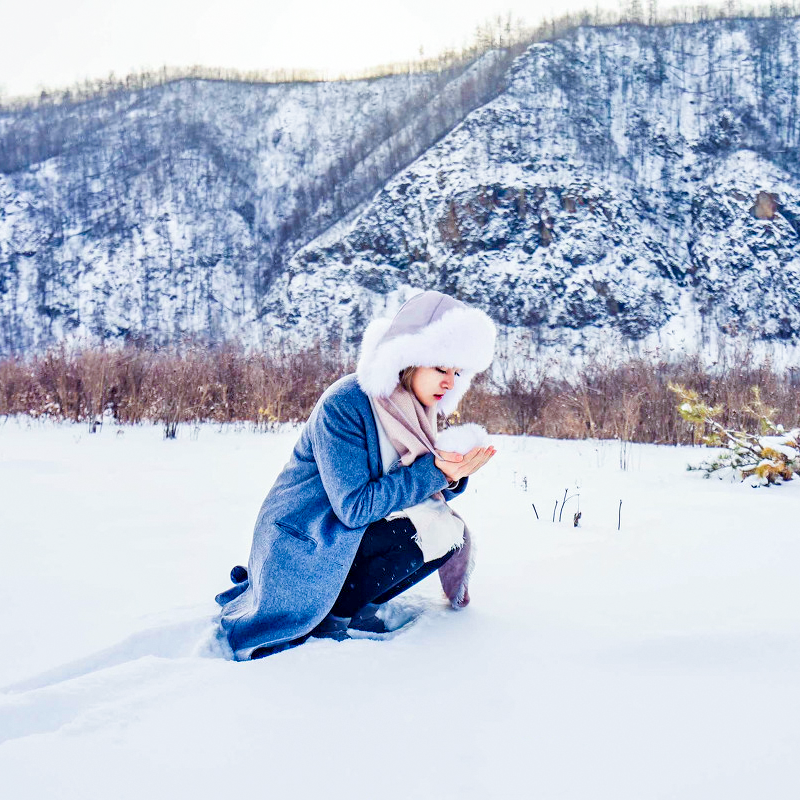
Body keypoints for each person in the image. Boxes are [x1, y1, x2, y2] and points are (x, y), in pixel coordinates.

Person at [215, 290, 497, 659]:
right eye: (441, 368)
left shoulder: (414, 409)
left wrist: (449, 476)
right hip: (306, 533)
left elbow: (411, 487)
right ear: (408, 359)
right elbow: (354, 507)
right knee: (418, 530)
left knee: (448, 535)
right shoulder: (348, 402)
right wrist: (434, 472)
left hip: (344, 532)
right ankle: (333, 615)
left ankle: (354, 605)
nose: (450, 382)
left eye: (456, 372)